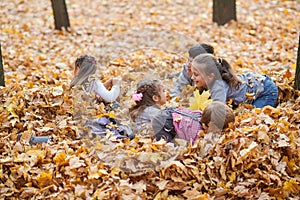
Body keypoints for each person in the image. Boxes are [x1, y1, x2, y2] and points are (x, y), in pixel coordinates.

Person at [191, 54, 278, 108]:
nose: (192, 77)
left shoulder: (218, 87)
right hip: (256, 82)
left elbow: (217, 110)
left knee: (256, 115)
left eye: (196, 74)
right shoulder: (208, 82)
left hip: (265, 90)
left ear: (210, 76)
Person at [152, 101, 235, 144]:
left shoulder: (201, 115)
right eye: (218, 131)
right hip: (162, 123)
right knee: (167, 146)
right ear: (206, 126)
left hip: (171, 113)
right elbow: (192, 146)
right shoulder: (195, 133)